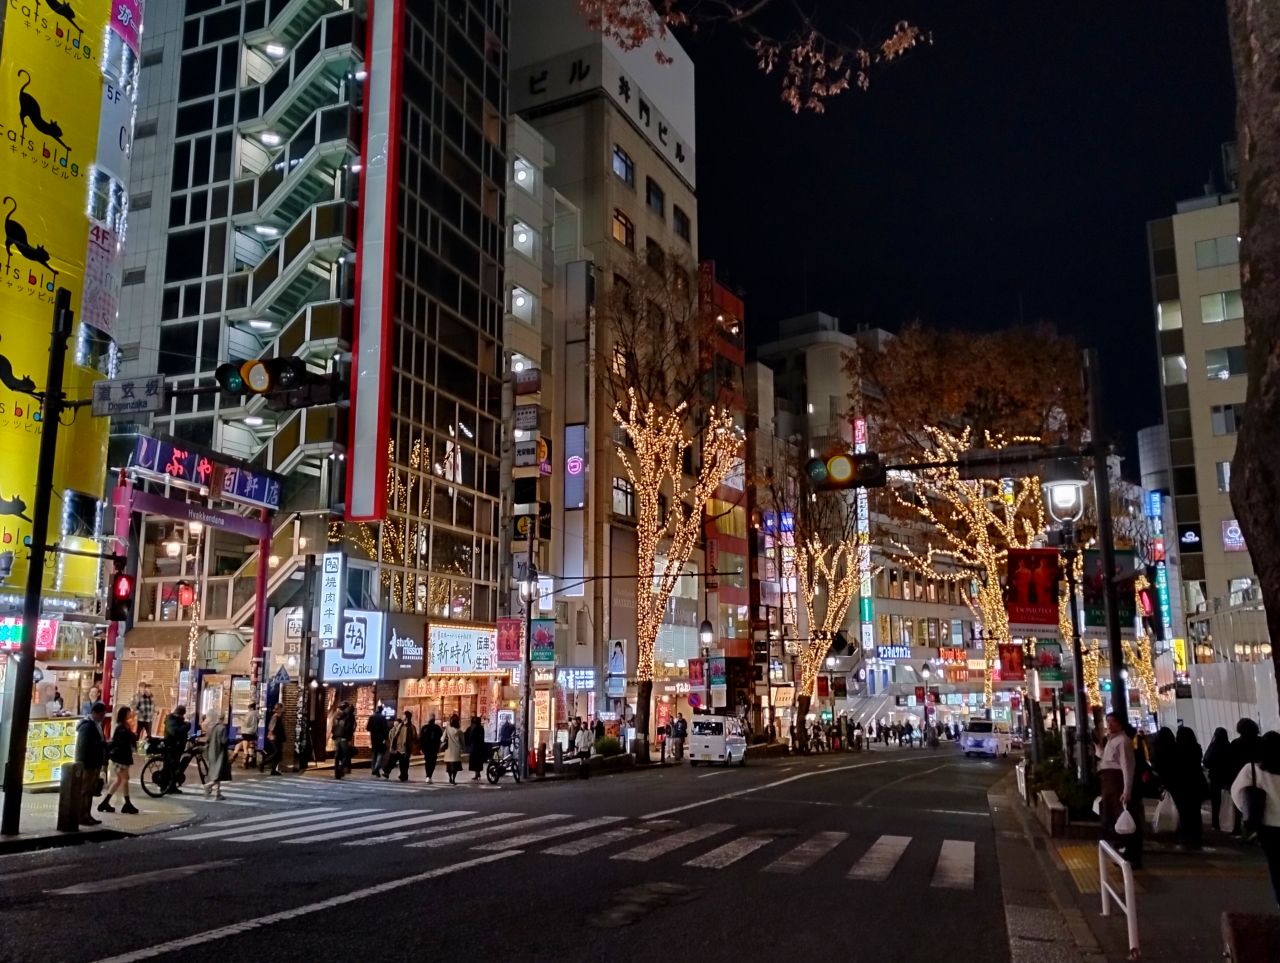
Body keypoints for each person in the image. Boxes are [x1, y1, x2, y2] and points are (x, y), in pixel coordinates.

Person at [1232, 730, 1280, 907]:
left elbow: (1237, 794)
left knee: (1276, 866)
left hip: (1268, 826)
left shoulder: (1252, 770)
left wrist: (1250, 812)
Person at [1097, 712, 1142, 868]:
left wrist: (1127, 790)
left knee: (1124, 820)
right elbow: (1107, 760)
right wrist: (1098, 749)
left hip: (1117, 785)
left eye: (1113, 722)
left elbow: (1127, 766)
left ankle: (1131, 856)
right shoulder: (1111, 740)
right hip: (1109, 784)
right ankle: (1123, 854)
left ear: (1121, 723)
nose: (1109, 725)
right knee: (1115, 821)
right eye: (1108, 721)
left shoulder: (1123, 741)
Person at [1170, 725, 1207, 848]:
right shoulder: (1197, 748)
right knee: (1195, 810)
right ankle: (1196, 834)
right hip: (1196, 782)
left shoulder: (1176, 749)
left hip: (1182, 784)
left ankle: (1186, 834)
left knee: (1184, 811)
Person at [98, 705, 139, 815]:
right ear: (124, 714)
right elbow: (121, 742)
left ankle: (105, 802)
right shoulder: (121, 728)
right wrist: (132, 737)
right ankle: (127, 804)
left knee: (120, 779)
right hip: (121, 757)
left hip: (121, 757)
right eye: (128, 713)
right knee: (124, 779)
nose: (130, 715)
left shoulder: (124, 726)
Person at [74, 701, 108, 827]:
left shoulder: (96, 725)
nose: (102, 717)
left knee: (90, 791)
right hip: (88, 763)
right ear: (94, 713)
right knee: (85, 790)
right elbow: (85, 746)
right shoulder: (87, 726)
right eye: (101, 715)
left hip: (94, 762)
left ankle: (87, 814)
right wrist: (103, 744)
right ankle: (82, 815)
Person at [1229, 718, 1264, 835]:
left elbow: (1231, 763)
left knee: (1239, 802)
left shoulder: (1236, 743)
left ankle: (1238, 828)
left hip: (1240, 777)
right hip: (1259, 777)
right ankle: (1257, 827)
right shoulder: (1261, 742)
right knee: (1259, 802)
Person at [1204, 726, 1234, 831]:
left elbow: (1206, 761)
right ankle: (1228, 821)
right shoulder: (1229, 746)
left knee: (1215, 802)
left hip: (1215, 777)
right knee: (1227, 801)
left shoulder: (1213, 746)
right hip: (1227, 778)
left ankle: (1215, 823)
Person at [162, 705, 191, 793]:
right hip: (171, 747)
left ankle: (172, 787)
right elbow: (175, 732)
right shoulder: (171, 719)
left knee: (174, 767)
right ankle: (164, 786)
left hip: (177, 747)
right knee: (169, 767)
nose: (182, 716)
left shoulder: (178, 720)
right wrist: (186, 726)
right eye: (182, 714)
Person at [383, 710, 418, 781]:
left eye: (403, 715)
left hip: (406, 748)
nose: (402, 717)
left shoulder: (411, 727)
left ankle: (403, 776)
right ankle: (387, 772)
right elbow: (395, 734)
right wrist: (393, 743)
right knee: (392, 761)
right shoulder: (400, 725)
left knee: (404, 763)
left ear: (406, 717)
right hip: (397, 746)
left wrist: (412, 745)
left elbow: (414, 737)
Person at [203, 713, 230, 801]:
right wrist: (233, 741)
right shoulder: (222, 728)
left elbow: (207, 740)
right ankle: (208, 785)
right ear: (223, 719)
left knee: (216, 773)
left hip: (212, 752)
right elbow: (224, 741)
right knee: (218, 773)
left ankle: (217, 794)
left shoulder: (211, 728)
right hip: (219, 753)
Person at [230, 702, 259, 769]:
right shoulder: (257, 714)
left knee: (245, 748)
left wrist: (241, 719)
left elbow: (246, 723)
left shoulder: (250, 714)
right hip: (252, 732)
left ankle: (245, 764)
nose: (248, 710)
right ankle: (231, 760)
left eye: (249, 708)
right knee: (238, 746)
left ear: (251, 708)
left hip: (246, 732)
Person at [260, 703, 286, 776]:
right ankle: (263, 764)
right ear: (279, 709)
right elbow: (271, 727)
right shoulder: (275, 717)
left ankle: (273, 770)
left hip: (279, 737)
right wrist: (271, 734)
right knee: (276, 753)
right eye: (283, 708)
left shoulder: (279, 716)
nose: (284, 709)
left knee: (279, 755)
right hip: (275, 737)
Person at [367, 704, 390, 778]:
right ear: (382, 710)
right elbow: (385, 729)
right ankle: (376, 768)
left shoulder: (371, 717)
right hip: (380, 738)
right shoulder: (382, 718)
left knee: (374, 754)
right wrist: (385, 738)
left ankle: (373, 769)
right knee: (380, 754)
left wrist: (373, 731)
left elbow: (368, 728)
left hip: (373, 738)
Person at [420, 713, 444, 783]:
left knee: (427, 762)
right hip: (434, 748)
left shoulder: (425, 728)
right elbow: (441, 738)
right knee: (432, 762)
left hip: (427, 748)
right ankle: (429, 776)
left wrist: (421, 748)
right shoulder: (437, 728)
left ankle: (428, 776)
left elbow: (421, 739)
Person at [442, 713, 464, 784]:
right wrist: (463, 748)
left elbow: (442, 739)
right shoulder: (459, 731)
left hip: (449, 750)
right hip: (456, 750)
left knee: (449, 766)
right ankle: (454, 778)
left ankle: (450, 777)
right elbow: (462, 741)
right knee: (456, 767)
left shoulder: (447, 729)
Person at [330, 703, 351, 779]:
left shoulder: (335, 716)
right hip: (343, 737)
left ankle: (336, 773)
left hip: (336, 737)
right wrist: (348, 738)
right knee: (346, 755)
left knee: (337, 756)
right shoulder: (347, 716)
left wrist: (334, 734)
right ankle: (340, 768)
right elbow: (348, 728)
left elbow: (333, 727)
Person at [466, 716, 487, 781]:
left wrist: (468, 744)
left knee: (475, 761)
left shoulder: (473, 728)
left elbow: (470, 737)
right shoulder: (481, 728)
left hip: (474, 747)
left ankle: (477, 774)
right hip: (480, 747)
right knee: (478, 761)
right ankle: (478, 773)